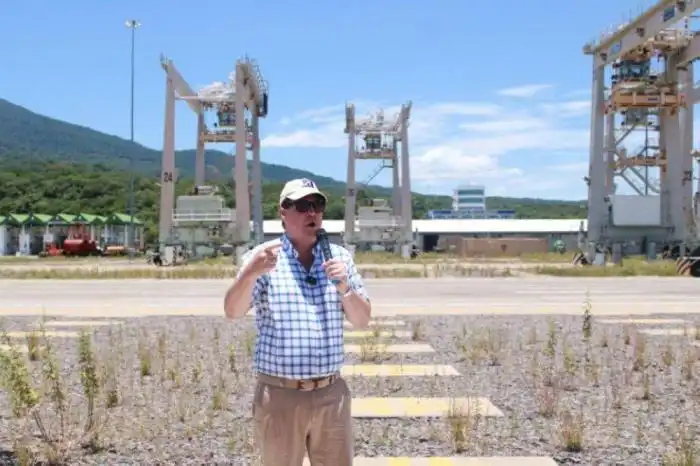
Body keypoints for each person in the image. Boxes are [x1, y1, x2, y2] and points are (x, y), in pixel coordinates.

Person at [223, 178, 372, 466]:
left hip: (331, 395)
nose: (312, 213)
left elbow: (362, 320)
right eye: (303, 206)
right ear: (283, 212)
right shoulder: (263, 259)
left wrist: (345, 288)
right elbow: (232, 310)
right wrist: (250, 274)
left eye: (317, 206)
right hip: (280, 395)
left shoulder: (340, 258)